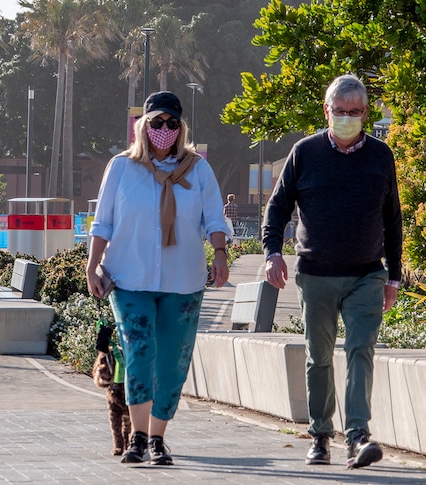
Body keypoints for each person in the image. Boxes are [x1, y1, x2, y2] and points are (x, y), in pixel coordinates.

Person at [262, 74, 402, 469]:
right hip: (316, 273)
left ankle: (358, 436)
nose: (346, 118)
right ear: (327, 111)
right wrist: (273, 253)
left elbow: (393, 220)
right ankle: (320, 435)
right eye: (339, 112)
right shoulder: (304, 152)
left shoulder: (380, 156)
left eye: (354, 112)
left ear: (365, 113)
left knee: (361, 350)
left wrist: (393, 276)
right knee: (318, 356)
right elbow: (277, 209)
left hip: (366, 274)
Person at [86, 90, 229, 466]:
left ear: (180, 128)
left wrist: (220, 255)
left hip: (183, 282)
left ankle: (158, 438)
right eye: (156, 122)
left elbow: (214, 218)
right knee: (139, 353)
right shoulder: (121, 167)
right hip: (129, 278)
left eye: (171, 123)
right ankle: (137, 435)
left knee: (172, 361)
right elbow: (103, 222)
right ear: (142, 127)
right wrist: (92, 265)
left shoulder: (197, 169)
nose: (163, 129)